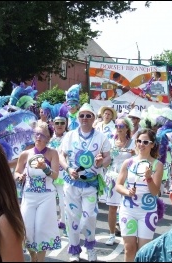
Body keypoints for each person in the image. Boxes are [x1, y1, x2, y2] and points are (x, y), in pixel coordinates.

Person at [58, 103, 111, 262]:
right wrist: (67, 169)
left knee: (89, 217)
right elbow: (61, 155)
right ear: (78, 118)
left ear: (94, 118)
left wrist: (102, 162)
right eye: (82, 115)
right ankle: (74, 251)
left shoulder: (101, 137)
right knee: (72, 216)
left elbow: (108, 158)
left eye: (89, 115)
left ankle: (90, 246)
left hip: (91, 184)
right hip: (72, 183)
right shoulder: (70, 135)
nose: (85, 118)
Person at [14, 122, 61, 262]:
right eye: (36, 134)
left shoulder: (53, 153)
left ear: (48, 138)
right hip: (29, 195)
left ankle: (40, 260)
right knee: (26, 228)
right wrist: (19, 176)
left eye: (42, 135)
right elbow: (17, 171)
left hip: (46, 196)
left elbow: (55, 175)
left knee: (42, 229)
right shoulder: (26, 154)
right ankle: (33, 256)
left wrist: (44, 168)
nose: (38, 137)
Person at [115, 128, 164, 262]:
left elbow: (155, 192)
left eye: (145, 142)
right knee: (129, 248)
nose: (141, 144)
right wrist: (127, 192)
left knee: (144, 251)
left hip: (147, 212)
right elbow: (118, 185)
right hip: (128, 209)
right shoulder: (128, 162)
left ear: (152, 144)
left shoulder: (157, 165)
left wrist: (149, 178)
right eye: (139, 141)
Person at [103, 117, 135, 246]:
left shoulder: (133, 143)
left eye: (121, 126)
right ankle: (111, 234)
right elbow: (106, 160)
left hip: (127, 178)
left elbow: (139, 157)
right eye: (116, 126)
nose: (118, 128)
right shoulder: (110, 142)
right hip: (112, 178)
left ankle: (126, 233)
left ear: (127, 128)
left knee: (125, 208)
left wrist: (134, 153)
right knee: (112, 208)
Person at [48, 116, 68, 236]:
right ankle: (51, 223)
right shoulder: (49, 139)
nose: (59, 125)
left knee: (62, 200)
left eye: (62, 123)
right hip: (49, 173)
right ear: (53, 125)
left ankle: (65, 223)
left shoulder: (69, 137)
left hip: (63, 174)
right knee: (49, 199)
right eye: (57, 123)